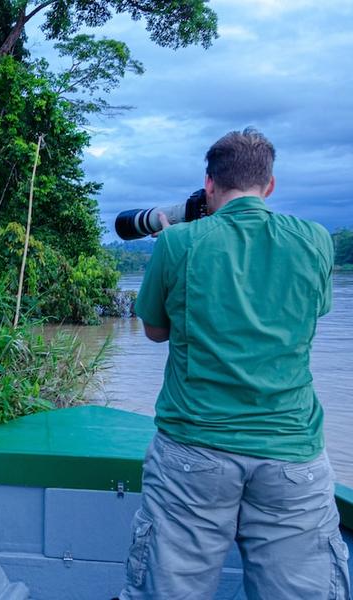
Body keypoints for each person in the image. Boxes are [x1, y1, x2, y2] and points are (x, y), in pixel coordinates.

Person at [119, 128, 351, 599]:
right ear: (270, 184)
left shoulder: (178, 243)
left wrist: (174, 240)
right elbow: (312, 313)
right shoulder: (315, 240)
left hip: (194, 450)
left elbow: (155, 330)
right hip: (292, 453)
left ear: (209, 184)